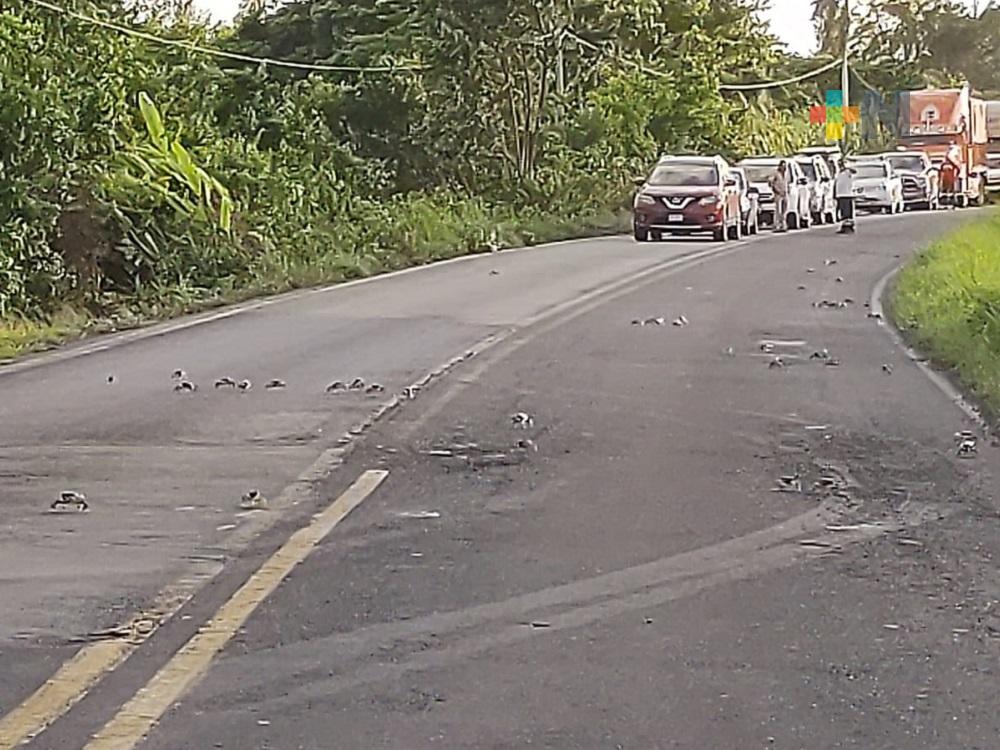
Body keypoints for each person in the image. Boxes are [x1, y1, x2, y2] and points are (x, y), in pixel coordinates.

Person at [834, 164, 857, 234]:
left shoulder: (845, 173)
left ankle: (847, 227)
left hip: (844, 195)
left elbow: (854, 171)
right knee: (845, 213)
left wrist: (847, 167)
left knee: (845, 213)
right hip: (843, 195)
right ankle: (846, 227)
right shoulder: (841, 174)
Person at [768, 161, 789, 232]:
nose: (784, 168)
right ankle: (776, 226)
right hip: (778, 194)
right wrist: (776, 190)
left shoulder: (786, 174)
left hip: (785, 194)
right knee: (778, 211)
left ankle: (783, 225)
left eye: (785, 166)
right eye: (782, 166)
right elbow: (770, 182)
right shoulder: (776, 173)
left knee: (784, 211)